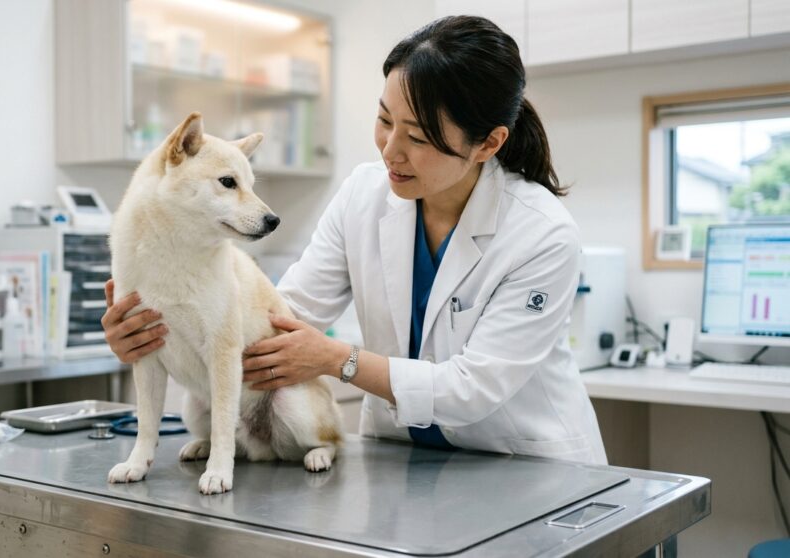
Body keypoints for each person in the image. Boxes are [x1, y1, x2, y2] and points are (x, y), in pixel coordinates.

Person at [103, 15, 606, 464]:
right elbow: (286, 316)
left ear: (488, 143)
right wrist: (161, 327)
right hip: (401, 458)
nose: (390, 150)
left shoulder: (543, 235)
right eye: (385, 120)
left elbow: (474, 388)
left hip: (521, 464)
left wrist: (337, 359)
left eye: (419, 137)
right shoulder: (364, 195)